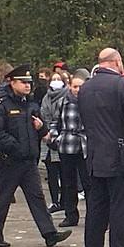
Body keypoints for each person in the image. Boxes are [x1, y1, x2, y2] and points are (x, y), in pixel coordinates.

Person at [0, 65, 72, 247]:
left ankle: (49, 233)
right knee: (3, 197)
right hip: (9, 160)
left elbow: (42, 128)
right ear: (12, 83)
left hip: (29, 160)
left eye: (29, 83)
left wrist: (41, 128)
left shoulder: (30, 104)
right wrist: (15, 148)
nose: (27, 86)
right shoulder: (2, 105)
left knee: (37, 197)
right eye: (23, 82)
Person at [79, 49, 124, 247]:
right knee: (121, 205)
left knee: (97, 205)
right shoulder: (122, 85)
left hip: (95, 154)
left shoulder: (85, 87)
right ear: (116, 62)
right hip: (120, 155)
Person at [48, 68, 89, 228]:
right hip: (66, 145)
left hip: (85, 146)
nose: (77, 90)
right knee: (68, 183)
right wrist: (54, 137)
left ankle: (94, 216)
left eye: (80, 87)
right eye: (75, 86)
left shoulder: (90, 102)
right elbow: (54, 122)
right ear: (70, 86)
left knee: (89, 183)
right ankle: (71, 215)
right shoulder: (62, 102)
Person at [40, 69, 70, 212]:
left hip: (62, 139)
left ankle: (64, 201)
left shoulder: (67, 97)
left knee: (64, 173)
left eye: (59, 79)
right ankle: (54, 201)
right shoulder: (46, 98)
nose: (56, 82)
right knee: (51, 172)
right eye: (54, 79)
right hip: (47, 138)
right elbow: (43, 114)